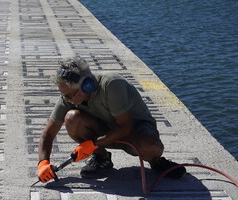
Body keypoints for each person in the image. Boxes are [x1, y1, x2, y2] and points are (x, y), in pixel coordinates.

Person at [37, 56, 186, 183]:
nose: (66, 100)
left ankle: (156, 162)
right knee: (72, 118)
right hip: (105, 132)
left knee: (150, 144)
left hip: (134, 131)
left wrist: (92, 144)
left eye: (69, 95)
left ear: (87, 86)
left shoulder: (112, 84)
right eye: (63, 95)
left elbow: (125, 127)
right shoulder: (68, 97)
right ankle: (102, 158)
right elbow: (47, 134)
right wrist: (43, 163)